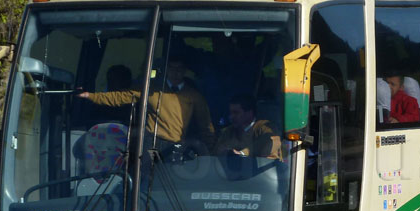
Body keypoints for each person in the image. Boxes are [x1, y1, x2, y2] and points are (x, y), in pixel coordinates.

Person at [77, 53, 217, 155]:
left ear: (185, 71)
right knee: (148, 176)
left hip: (178, 145)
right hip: (152, 143)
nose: (176, 72)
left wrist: (212, 153)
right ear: (166, 70)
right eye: (172, 68)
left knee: (173, 180)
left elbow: (206, 126)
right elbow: (119, 97)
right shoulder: (150, 90)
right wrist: (91, 96)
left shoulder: (194, 96)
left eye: (179, 69)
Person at [215, 94, 281, 159]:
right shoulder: (227, 132)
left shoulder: (265, 129)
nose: (231, 116)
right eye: (231, 113)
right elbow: (217, 153)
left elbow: (269, 147)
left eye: (236, 113)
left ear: (249, 113)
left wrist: (242, 153)